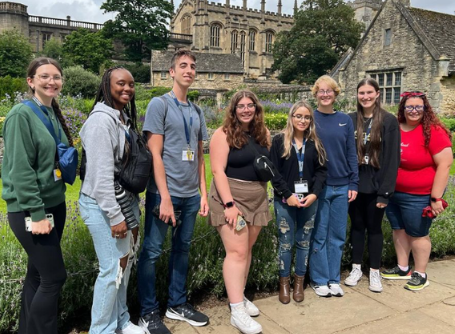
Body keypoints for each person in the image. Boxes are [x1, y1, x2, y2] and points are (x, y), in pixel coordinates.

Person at [137, 48, 210, 334]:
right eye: (183, 66)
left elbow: (200, 154)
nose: (189, 70)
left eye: (192, 66)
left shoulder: (197, 109)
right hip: (163, 195)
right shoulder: (159, 104)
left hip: (191, 195)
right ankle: (147, 312)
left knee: (182, 250)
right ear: (171, 72)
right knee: (152, 252)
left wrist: (203, 193)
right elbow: (155, 154)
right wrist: (164, 197)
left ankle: (176, 303)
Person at [2, 57, 72, 334]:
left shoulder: (51, 112)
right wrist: (37, 213)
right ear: (31, 81)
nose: (51, 81)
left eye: (56, 76)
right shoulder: (21, 115)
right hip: (32, 211)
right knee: (54, 278)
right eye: (44, 76)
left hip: (55, 203)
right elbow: (20, 170)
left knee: (37, 276)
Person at [79, 67, 146, 334]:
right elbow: (101, 176)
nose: (127, 89)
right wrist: (116, 217)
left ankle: (121, 321)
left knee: (124, 266)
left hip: (125, 202)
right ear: (107, 85)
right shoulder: (100, 121)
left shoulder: (122, 118)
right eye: (121, 83)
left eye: (131, 84)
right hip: (103, 205)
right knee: (110, 271)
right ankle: (101, 330)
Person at [207, 91, 273, 333]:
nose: (246, 110)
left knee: (245, 252)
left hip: (256, 198)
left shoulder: (262, 134)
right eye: (241, 106)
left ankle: (239, 296)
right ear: (233, 110)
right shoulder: (222, 134)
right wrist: (229, 205)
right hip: (231, 198)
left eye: (250, 106)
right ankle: (236, 311)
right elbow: (217, 172)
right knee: (236, 253)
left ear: (256, 109)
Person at [385, 91, 451, 291]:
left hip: (419, 195)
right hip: (393, 193)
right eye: (409, 107)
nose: (413, 111)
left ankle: (420, 273)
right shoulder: (395, 128)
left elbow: (446, 164)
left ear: (425, 109)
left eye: (418, 107)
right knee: (399, 230)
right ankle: (403, 267)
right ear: (403, 109)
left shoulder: (433, 131)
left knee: (418, 233)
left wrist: (436, 197)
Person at [344, 78, 400, 293]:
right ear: (357, 95)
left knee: (374, 229)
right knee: (357, 227)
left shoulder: (388, 121)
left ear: (377, 94)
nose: (365, 97)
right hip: (355, 186)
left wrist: (385, 193)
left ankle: (374, 271)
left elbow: (392, 159)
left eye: (369, 92)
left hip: (376, 187)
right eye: (361, 93)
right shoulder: (350, 120)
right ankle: (356, 268)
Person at [269, 102, 327, 304]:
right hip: (285, 200)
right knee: (286, 243)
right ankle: (284, 282)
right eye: (298, 116)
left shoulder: (315, 143)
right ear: (291, 117)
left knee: (304, 242)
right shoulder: (278, 141)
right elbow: (273, 173)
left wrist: (315, 194)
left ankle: (299, 282)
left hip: (309, 200)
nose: (302, 120)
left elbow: (321, 172)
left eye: (307, 117)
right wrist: (287, 195)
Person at [309, 75, 359, 298]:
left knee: (337, 236)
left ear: (335, 94)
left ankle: (333, 278)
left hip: (342, 185)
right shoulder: (310, 118)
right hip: (320, 187)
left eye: (329, 91)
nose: (325, 94)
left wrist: (353, 182)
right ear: (316, 94)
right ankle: (318, 279)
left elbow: (351, 152)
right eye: (321, 91)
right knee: (319, 235)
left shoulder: (345, 120)